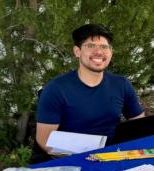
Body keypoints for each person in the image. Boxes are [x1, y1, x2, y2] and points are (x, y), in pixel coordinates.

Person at [36, 24, 145, 153]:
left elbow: (140, 126)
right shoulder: (55, 89)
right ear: (77, 51)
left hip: (115, 155)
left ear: (111, 52)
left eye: (104, 47)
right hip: (73, 159)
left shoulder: (121, 84)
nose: (99, 52)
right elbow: (44, 140)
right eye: (91, 46)